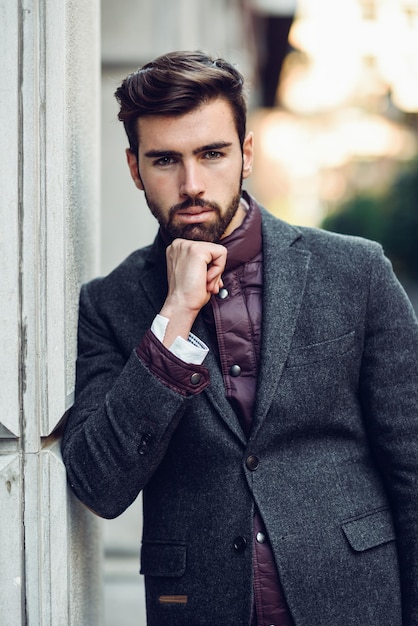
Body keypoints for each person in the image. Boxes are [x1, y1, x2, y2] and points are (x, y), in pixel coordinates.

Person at [61, 51, 418, 626]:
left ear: (246, 153)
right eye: (164, 160)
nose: (192, 184)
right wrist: (173, 317)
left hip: (352, 599)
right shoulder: (110, 305)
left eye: (212, 153)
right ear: (134, 168)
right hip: (200, 607)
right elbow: (99, 484)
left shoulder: (356, 272)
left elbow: (412, 466)